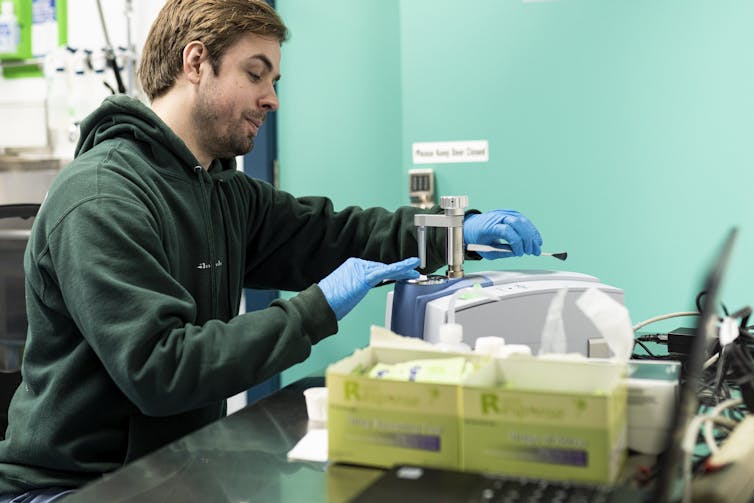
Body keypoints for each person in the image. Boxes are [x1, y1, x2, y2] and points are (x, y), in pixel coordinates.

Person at [0, 0, 543, 500]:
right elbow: (161, 369)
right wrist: (315, 308)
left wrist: (453, 232)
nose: (272, 98)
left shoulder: (220, 190)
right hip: (72, 487)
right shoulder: (102, 196)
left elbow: (334, 234)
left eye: (273, 79)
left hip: (169, 469)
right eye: (255, 73)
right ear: (196, 62)